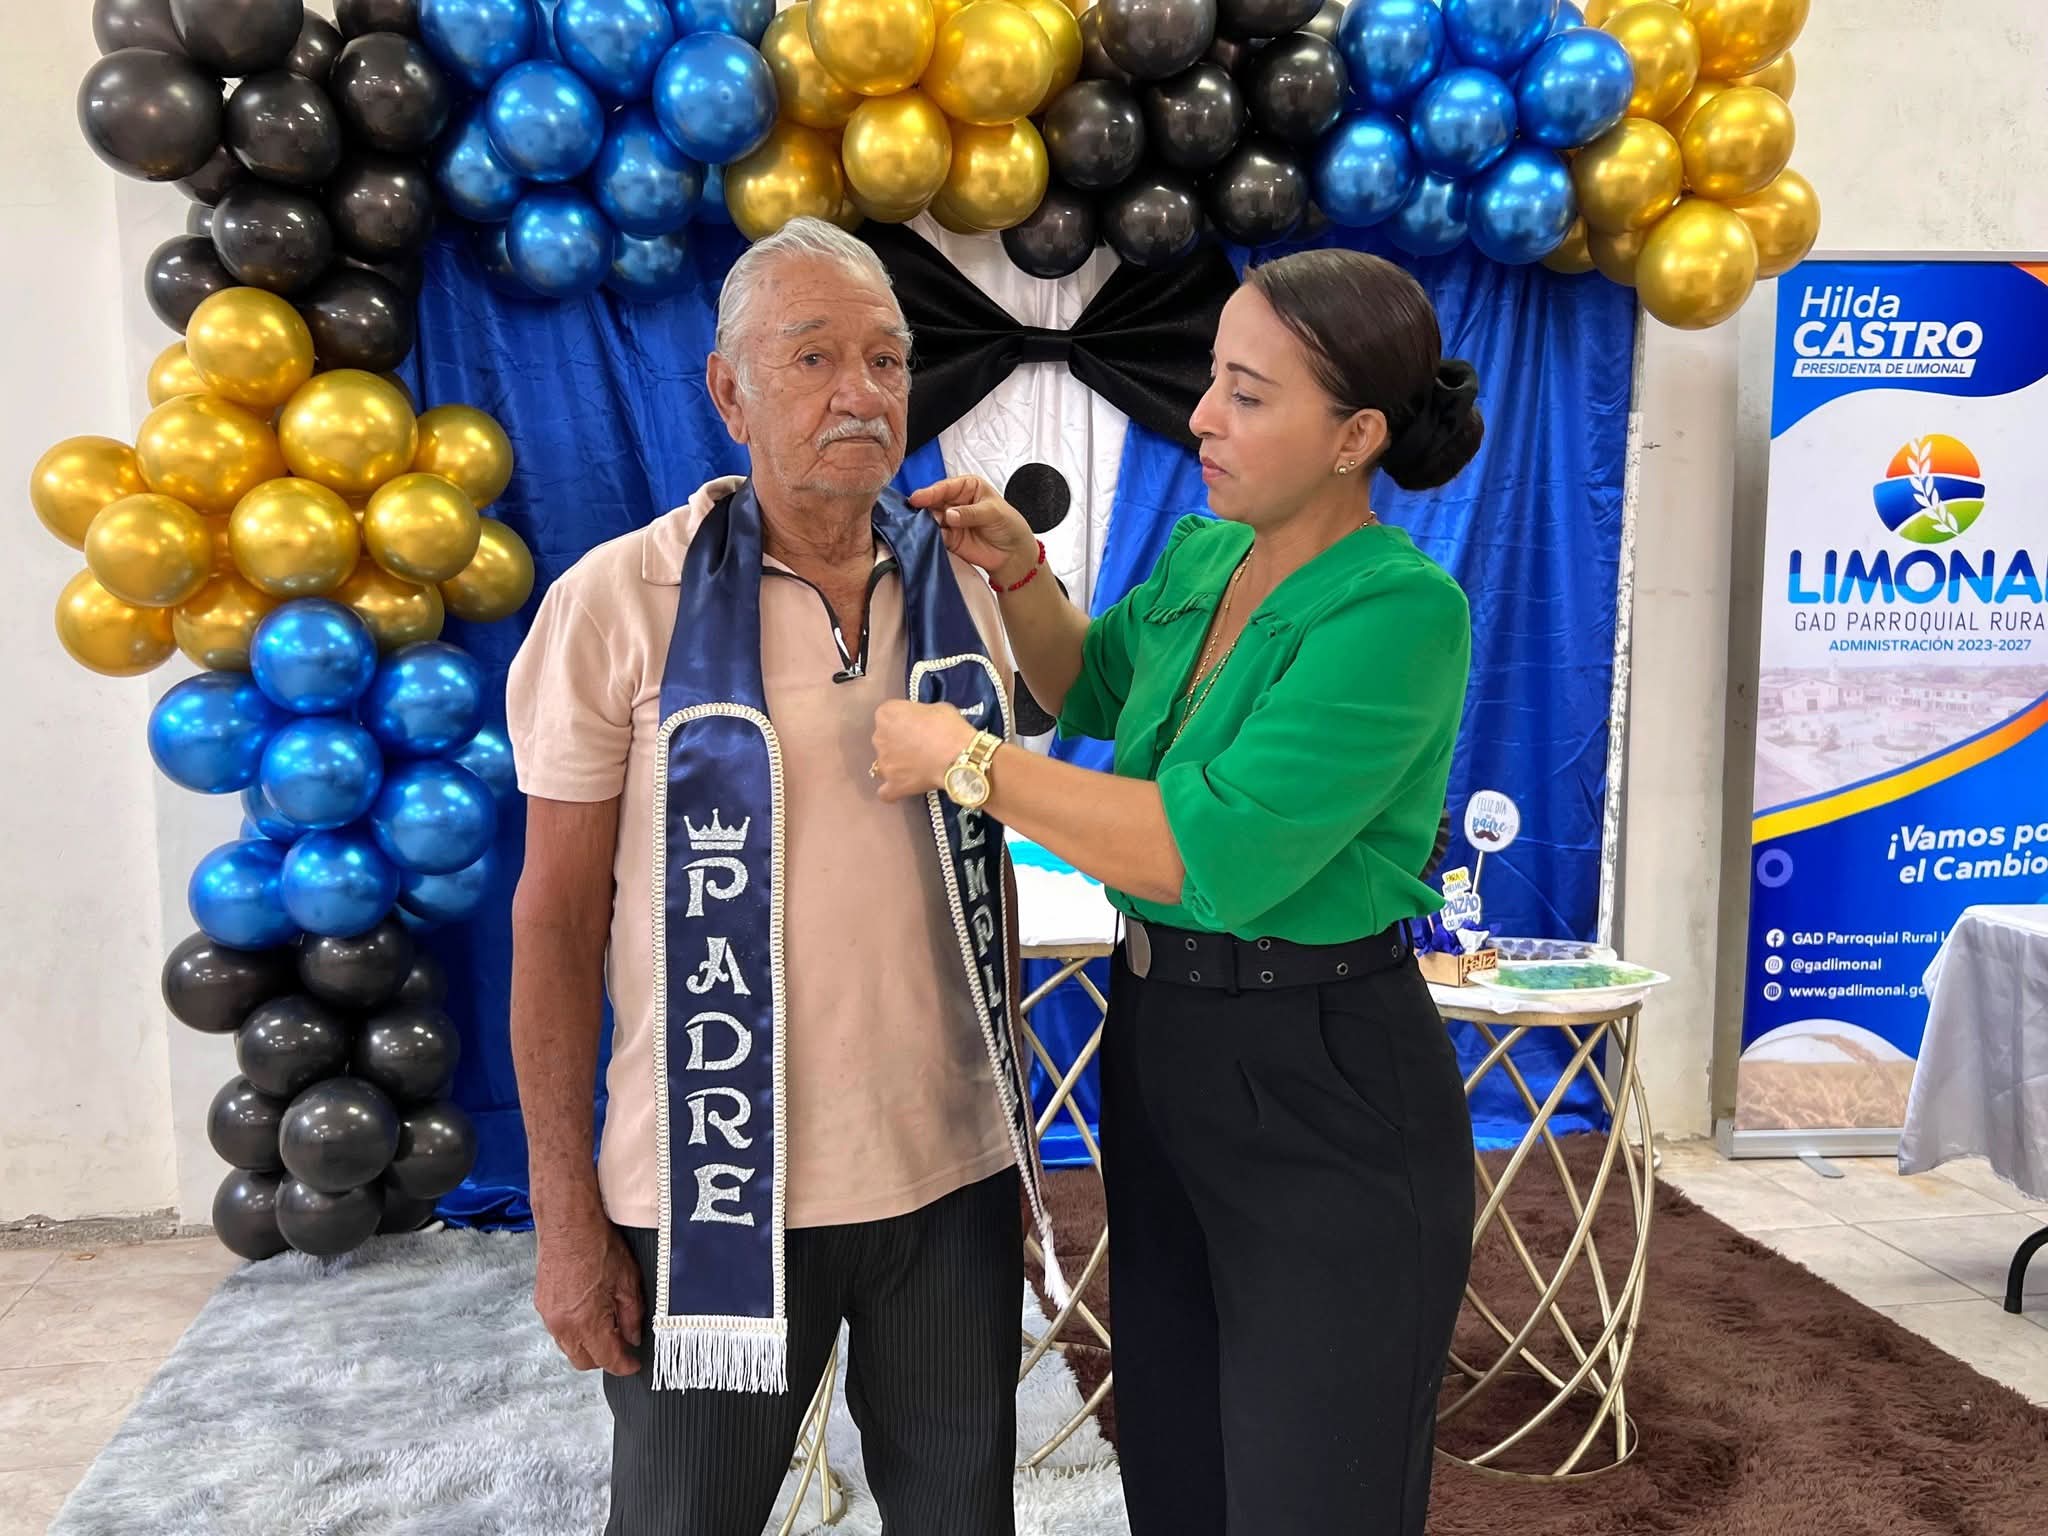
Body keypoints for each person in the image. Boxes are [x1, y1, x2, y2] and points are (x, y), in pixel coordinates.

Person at [870, 247, 1481, 1536]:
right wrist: (1020, 572)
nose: (1202, 417)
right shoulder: (1210, 557)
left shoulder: (1399, 613)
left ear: (1355, 437)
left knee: (1314, 1488)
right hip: (1163, 1043)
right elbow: (1082, 685)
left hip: (1323, 1070)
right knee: (1175, 1457)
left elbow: (1202, 854)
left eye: (1248, 395)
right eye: (1212, 380)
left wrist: (970, 764)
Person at [506, 217, 1061, 1536]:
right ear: (730, 391)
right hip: (710, 1189)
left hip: (949, 1174)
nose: (860, 395)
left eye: (887, 360)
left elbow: (1015, 808)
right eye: (813, 358)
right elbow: (556, 923)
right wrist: (565, 1216)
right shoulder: (619, 599)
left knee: (962, 1520)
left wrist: (1010, 1132)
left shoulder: (963, 585)